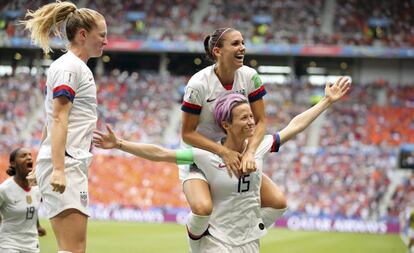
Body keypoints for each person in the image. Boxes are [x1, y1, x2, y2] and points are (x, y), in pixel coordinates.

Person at [93, 77, 350, 252]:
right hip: (216, 241)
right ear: (226, 125)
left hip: (249, 240)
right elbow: (161, 154)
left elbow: (295, 126)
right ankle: (194, 238)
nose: (252, 122)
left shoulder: (257, 147)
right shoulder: (206, 155)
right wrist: (119, 144)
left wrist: (326, 102)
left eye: (251, 116)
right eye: (244, 118)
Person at [180, 27, 286, 250]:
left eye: (243, 42)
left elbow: (261, 122)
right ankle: (196, 243)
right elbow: (187, 133)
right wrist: (222, 152)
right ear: (218, 51)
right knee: (202, 209)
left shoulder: (250, 76)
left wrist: (248, 152)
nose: (243, 47)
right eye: (236, 43)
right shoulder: (198, 84)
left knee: (278, 202)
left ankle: (244, 232)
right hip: (201, 156)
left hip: (234, 152)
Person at [21, 1, 107, 252]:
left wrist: (41, 164)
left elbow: (51, 119)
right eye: (102, 35)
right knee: (72, 249)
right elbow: (58, 118)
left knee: (73, 248)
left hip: (70, 162)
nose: (106, 41)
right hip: (66, 164)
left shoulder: (76, 67)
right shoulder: (70, 67)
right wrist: (57, 168)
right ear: (83, 34)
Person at [0, 148, 47, 253]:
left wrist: (38, 226)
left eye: (30, 155)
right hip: (9, 243)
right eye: (23, 156)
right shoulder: (4, 189)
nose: (29, 157)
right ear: (13, 163)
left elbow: (31, 209)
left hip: (31, 243)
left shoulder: (37, 187)